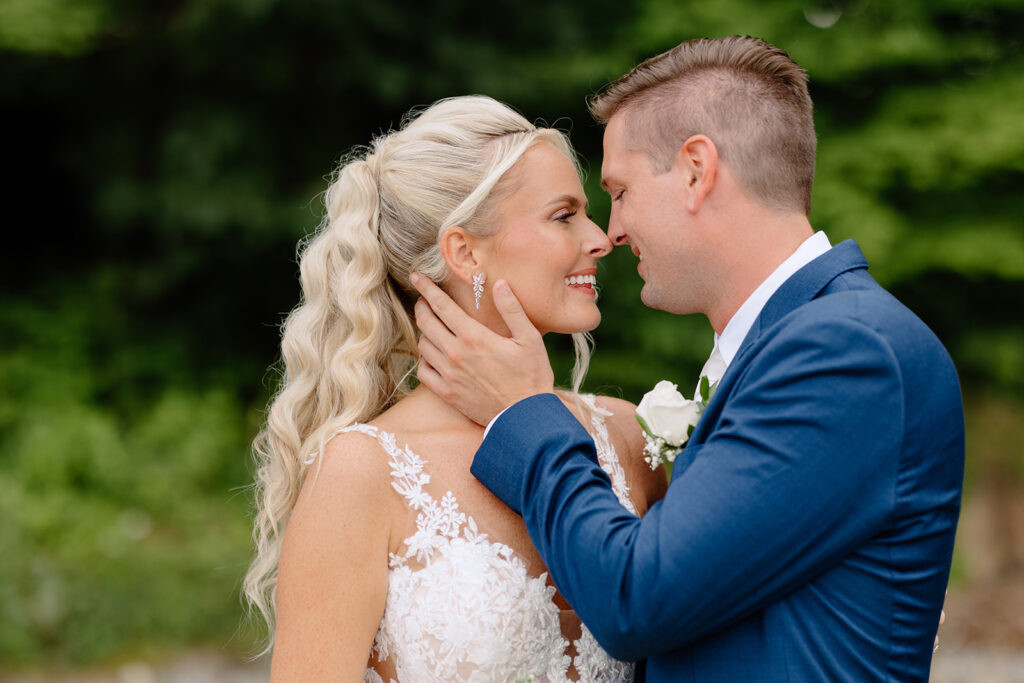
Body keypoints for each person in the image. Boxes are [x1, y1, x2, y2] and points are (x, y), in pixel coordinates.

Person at [411, 36, 964, 681]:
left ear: (697, 171)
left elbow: (636, 601)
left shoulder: (845, 351)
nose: (611, 232)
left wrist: (524, 413)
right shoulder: (793, 344)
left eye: (618, 191)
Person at [243, 95, 667, 681]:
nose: (601, 238)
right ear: (464, 251)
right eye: (564, 215)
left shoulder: (627, 437)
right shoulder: (362, 470)